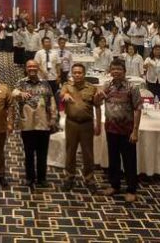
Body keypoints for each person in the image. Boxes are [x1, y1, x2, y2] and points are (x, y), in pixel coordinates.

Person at [100, 59, 142, 203]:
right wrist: (99, 94)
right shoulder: (107, 86)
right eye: (113, 69)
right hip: (111, 129)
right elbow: (97, 101)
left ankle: (131, 189)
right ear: (110, 71)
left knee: (129, 160)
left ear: (124, 71)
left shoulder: (132, 87)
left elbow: (137, 109)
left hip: (127, 130)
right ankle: (115, 185)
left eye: (119, 69)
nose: (116, 71)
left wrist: (135, 131)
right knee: (113, 159)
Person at [13, 59, 57, 189]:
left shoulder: (45, 84)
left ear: (38, 68)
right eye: (29, 66)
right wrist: (20, 93)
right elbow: (13, 93)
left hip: (43, 123)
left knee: (42, 154)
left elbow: (52, 101)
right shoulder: (21, 83)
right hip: (27, 124)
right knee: (29, 153)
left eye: (34, 66)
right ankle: (30, 178)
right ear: (26, 69)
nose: (32, 68)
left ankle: (42, 178)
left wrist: (53, 118)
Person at [60, 63, 101, 192]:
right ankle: (69, 177)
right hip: (71, 123)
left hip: (87, 124)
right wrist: (64, 96)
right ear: (72, 74)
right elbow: (61, 96)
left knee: (88, 153)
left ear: (84, 74)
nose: (77, 75)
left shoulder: (92, 88)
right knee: (70, 152)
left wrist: (98, 124)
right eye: (75, 73)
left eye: (80, 73)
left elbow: (98, 107)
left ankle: (89, 179)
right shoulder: (67, 86)